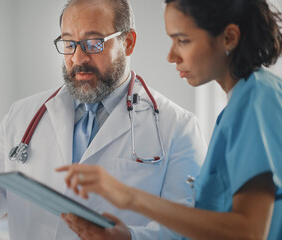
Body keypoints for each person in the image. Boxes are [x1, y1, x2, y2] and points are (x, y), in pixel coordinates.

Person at [0, 0, 207, 239]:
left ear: (128, 42)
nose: (78, 58)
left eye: (93, 43)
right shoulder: (24, 115)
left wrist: (129, 237)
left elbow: (190, 228)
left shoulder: (176, 126)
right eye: (68, 43)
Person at [57, 0, 282, 239]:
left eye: (183, 41)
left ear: (229, 38)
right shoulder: (238, 105)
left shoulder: (257, 98)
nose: (171, 56)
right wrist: (128, 236)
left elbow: (249, 231)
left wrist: (129, 197)